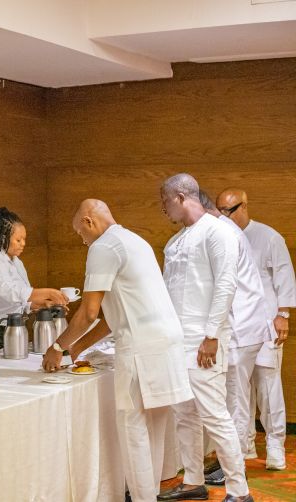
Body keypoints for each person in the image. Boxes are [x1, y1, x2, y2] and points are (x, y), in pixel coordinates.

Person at [42, 199, 192, 502]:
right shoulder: (135, 241)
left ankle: (141, 498)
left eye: (79, 233)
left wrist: (57, 347)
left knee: (133, 429)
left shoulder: (103, 247)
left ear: (88, 221)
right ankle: (148, 495)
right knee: (155, 428)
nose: (82, 241)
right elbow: (115, 313)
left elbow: (89, 312)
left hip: (141, 347)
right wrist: (78, 346)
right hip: (168, 341)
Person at [159, 173, 252, 502]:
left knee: (215, 416)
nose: (163, 209)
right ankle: (193, 481)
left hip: (204, 342)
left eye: (165, 201)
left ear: (181, 196)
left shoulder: (217, 232)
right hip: (177, 342)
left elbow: (226, 284)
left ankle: (239, 491)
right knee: (184, 415)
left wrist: (212, 335)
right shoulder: (175, 241)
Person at [217, 188, 295, 470]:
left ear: (244, 206)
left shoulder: (268, 236)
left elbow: (284, 276)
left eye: (229, 211)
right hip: (235, 325)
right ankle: (245, 444)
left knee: (267, 384)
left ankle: (275, 445)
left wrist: (283, 314)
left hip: (266, 322)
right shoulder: (220, 237)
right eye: (220, 211)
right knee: (237, 389)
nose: (224, 216)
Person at [198, 190, 270, 485]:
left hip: (242, 326)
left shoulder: (222, 231)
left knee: (236, 401)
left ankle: (234, 465)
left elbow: (224, 285)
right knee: (234, 399)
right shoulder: (225, 229)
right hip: (244, 324)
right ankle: (229, 460)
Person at [0, 207, 68, 349]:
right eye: (18, 240)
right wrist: (50, 293)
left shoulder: (16, 262)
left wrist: (41, 305)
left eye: (24, 239)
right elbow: (9, 292)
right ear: (3, 238)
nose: (23, 244)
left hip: (6, 330)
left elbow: (18, 300)